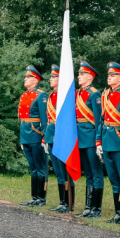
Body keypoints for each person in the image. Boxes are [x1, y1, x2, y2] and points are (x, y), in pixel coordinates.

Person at [98, 62, 120, 224]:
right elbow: (101, 119)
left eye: (112, 75)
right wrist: (98, 140)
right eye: (108, 75)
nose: (109, 77)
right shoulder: (105, 94)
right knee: (114, 180)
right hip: (107, 140)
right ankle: (118, 213)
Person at [73, 61, 103, 218]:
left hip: (91, 137)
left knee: (96, 173)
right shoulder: (78, 93)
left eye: (82, 74)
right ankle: (88, 207)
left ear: (90, 77)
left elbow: (99, 121)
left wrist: (99, 140)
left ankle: (96, 209)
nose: (79, 76)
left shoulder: (95, 95)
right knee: (89, 174)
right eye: (78, 73)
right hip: (81, 137)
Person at [18, 66, 49, 207]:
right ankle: (34, 197)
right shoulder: (24, 95)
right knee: (33, 168)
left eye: (28, 77)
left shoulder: (41, 95)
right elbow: (21, 119)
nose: (25, 79)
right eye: (25, 77)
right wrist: (21, 138)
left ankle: (41, 199)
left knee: (40, 167)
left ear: (36, 80)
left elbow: (44, 119)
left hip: (37, 135)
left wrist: (44, 137)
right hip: (26, 135)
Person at [45, 65, 72, 213]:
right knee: (58, 173)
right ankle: (62, 201)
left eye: (54, 77)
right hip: (51, 135)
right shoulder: (51, 96)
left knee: (65, 171)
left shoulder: (65, 96)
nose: (51, 79)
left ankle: (69, 202)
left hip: (62, 136)